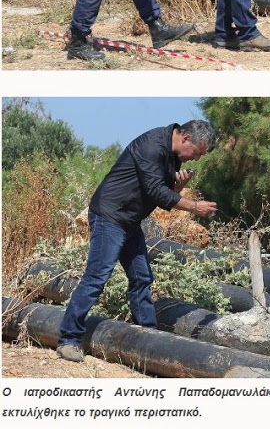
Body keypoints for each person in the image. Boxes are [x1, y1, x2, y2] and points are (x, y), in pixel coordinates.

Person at [56, 120, 217, 362]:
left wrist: (178, 186)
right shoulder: (152, 146)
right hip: (110, 216)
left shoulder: (174, 155)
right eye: (197, 152)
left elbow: (163, 190)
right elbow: (155, 192)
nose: (196, 159)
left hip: (129, 221)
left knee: (142, 277)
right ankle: (68, 339)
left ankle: (148, 338)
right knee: (97, 277)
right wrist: (193, 206)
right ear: (185, 138)